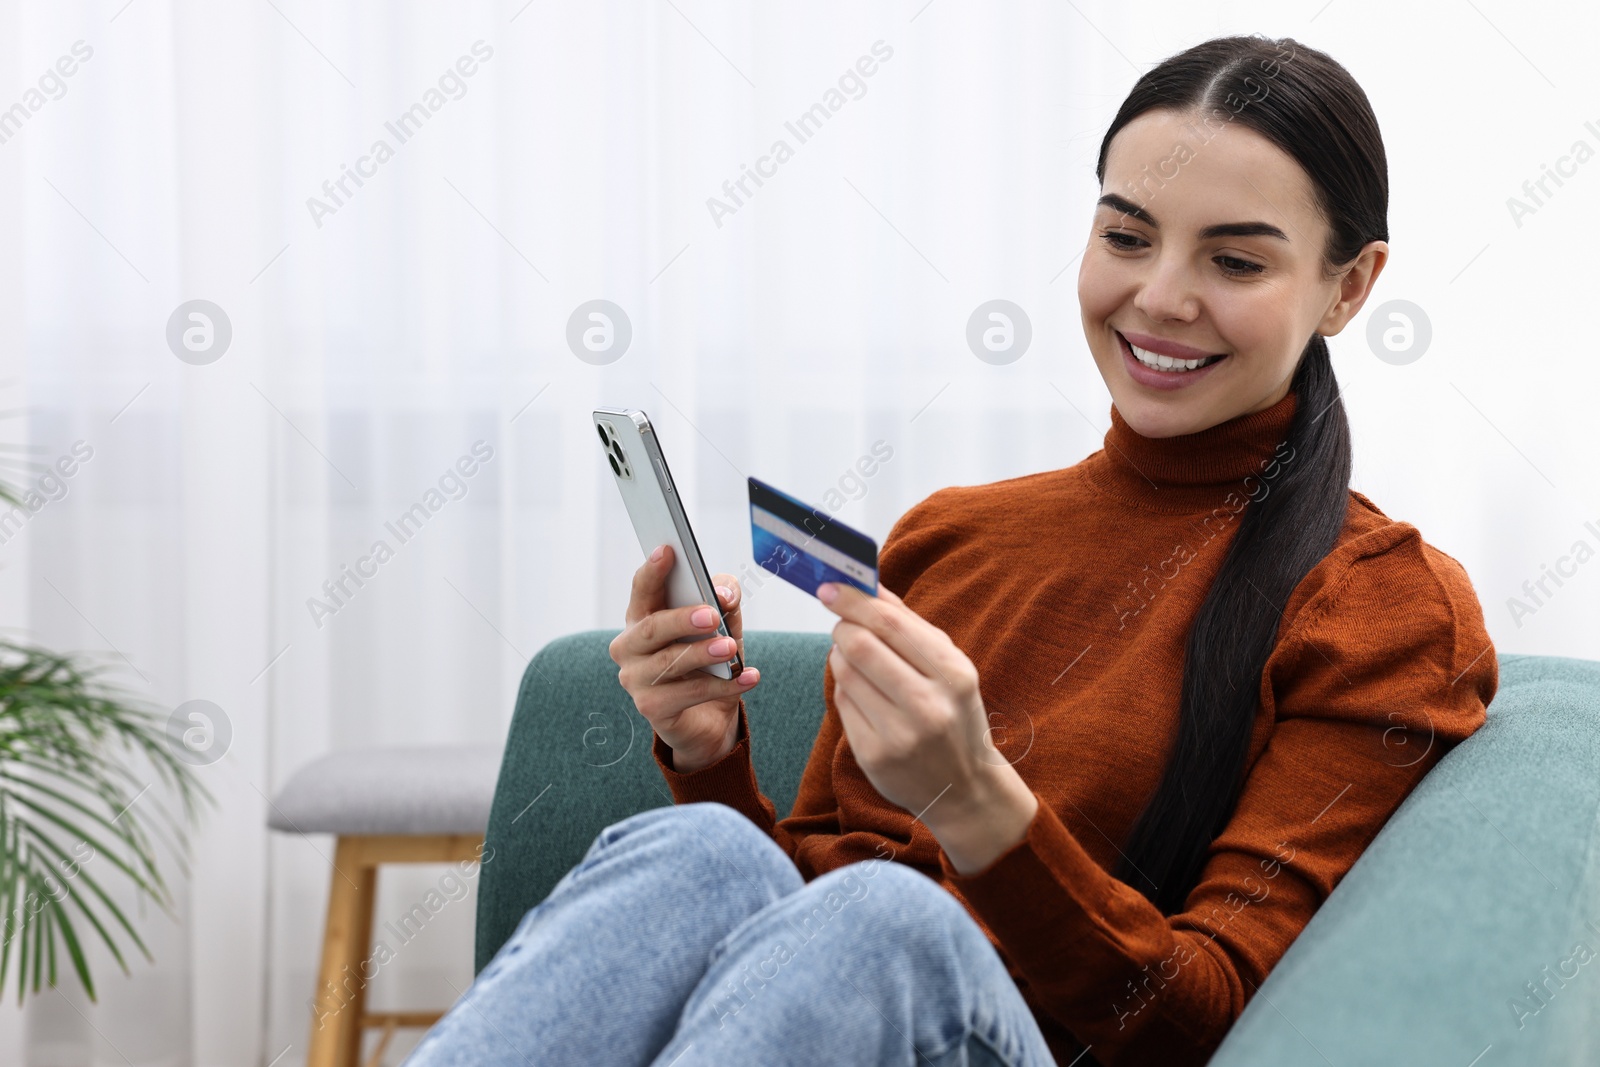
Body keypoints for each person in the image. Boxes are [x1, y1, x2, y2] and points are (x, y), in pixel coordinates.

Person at [406, 33, 1497, 1067]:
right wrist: (710, 756)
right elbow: (804, 923)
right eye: (1125, 237)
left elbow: (1199, 1016)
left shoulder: (1381, 607)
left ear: (1348, 287)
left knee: (889, 914)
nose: (1159, 298)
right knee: (714, 855)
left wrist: (978, 802)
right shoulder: (953, 534)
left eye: (1236, 261)